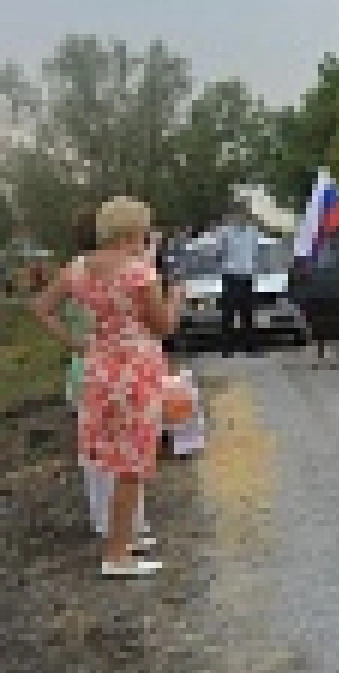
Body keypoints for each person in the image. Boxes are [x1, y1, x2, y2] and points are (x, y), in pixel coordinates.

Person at [34, 196, 182, 576]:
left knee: (114, 456)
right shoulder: (138, 272)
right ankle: (117, 555)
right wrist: (177, 298)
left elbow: (41, 309)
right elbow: (163, 326)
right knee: (133, 461)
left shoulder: (78, 268)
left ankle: (124, 538)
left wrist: (75, 343)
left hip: (98, 366)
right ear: (134, 230)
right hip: (136, 368)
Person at [213, 202, 261, 356]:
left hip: (247, 276)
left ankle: (250, 347)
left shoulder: (253, 231)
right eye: (239, 214)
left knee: (248, 312)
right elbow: (218, 253)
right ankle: (227, 348)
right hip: (230, 276)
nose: (242, 217)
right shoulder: (225, 232)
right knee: (228, 313)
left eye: (245, 214)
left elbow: (255, 252)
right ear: (234, 215)